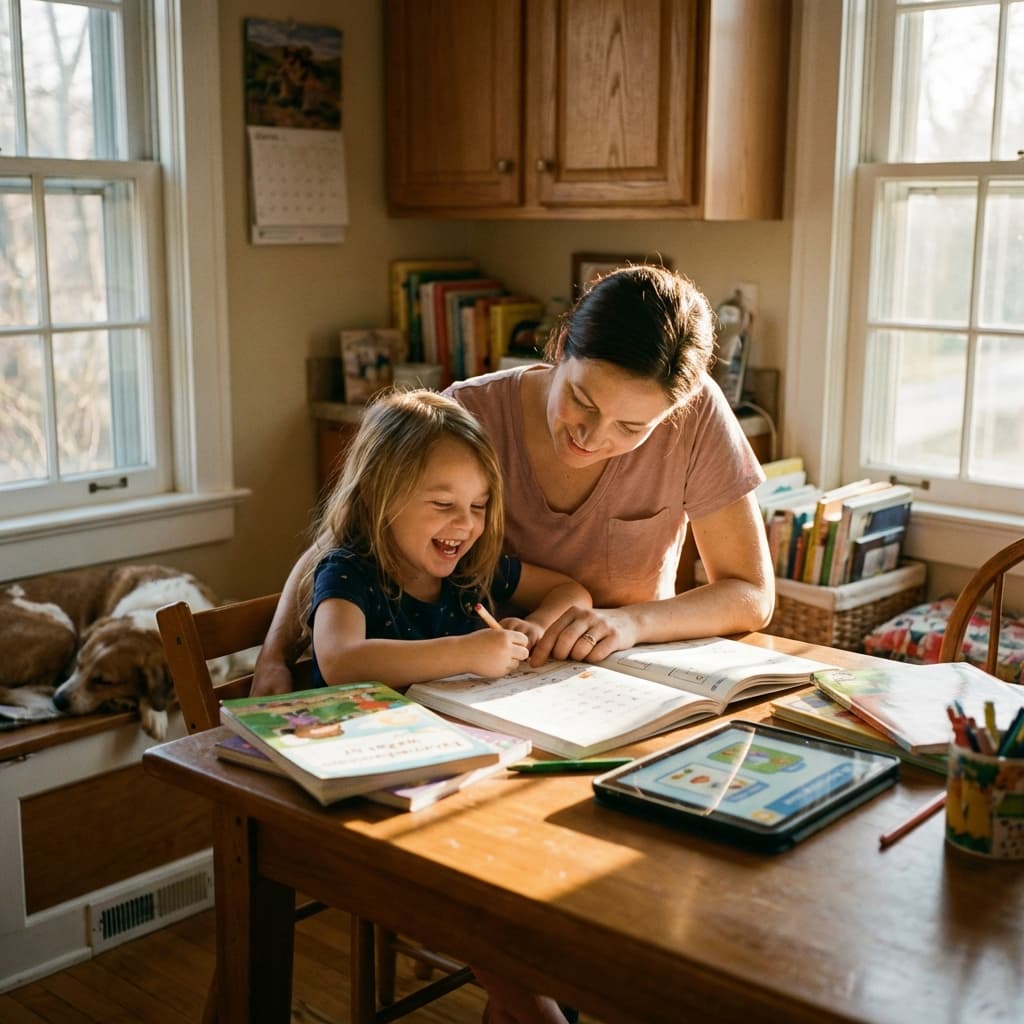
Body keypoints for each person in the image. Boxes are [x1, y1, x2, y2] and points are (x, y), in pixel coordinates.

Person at [253, 264, 774, 699]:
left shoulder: (698, 412)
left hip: (626, 680)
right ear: (563, 345)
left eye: (632, 428)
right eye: (583, 402)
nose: (592, 437)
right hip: (482, 691)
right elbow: (346, 539)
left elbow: (750, 593)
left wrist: (631, 624)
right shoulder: (469, 415)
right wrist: (275, 656)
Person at [300, 389, 591, 692]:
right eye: (442, 504)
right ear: (376, 495)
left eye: (478, 506)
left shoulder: (470, 571)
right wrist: (465, 653)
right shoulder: (348, 571)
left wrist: (538, 624)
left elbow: (571, 592)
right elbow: (340, 662)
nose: (466, 523)